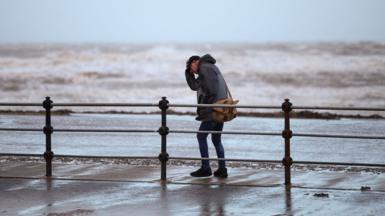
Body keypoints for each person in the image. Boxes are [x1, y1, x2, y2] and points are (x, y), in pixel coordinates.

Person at [185, 54, 228, 178]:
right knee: (216, 139)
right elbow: (195, 86)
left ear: (195, 62)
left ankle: (206, 168)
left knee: (201, 136)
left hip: (212, 110)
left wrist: (208, 107)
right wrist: (188, 74)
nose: (191, 70)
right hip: (221, 108)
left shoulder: (204, 68)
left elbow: (212, 90)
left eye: (190, 66)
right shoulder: (211, 67)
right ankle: (222, 169)